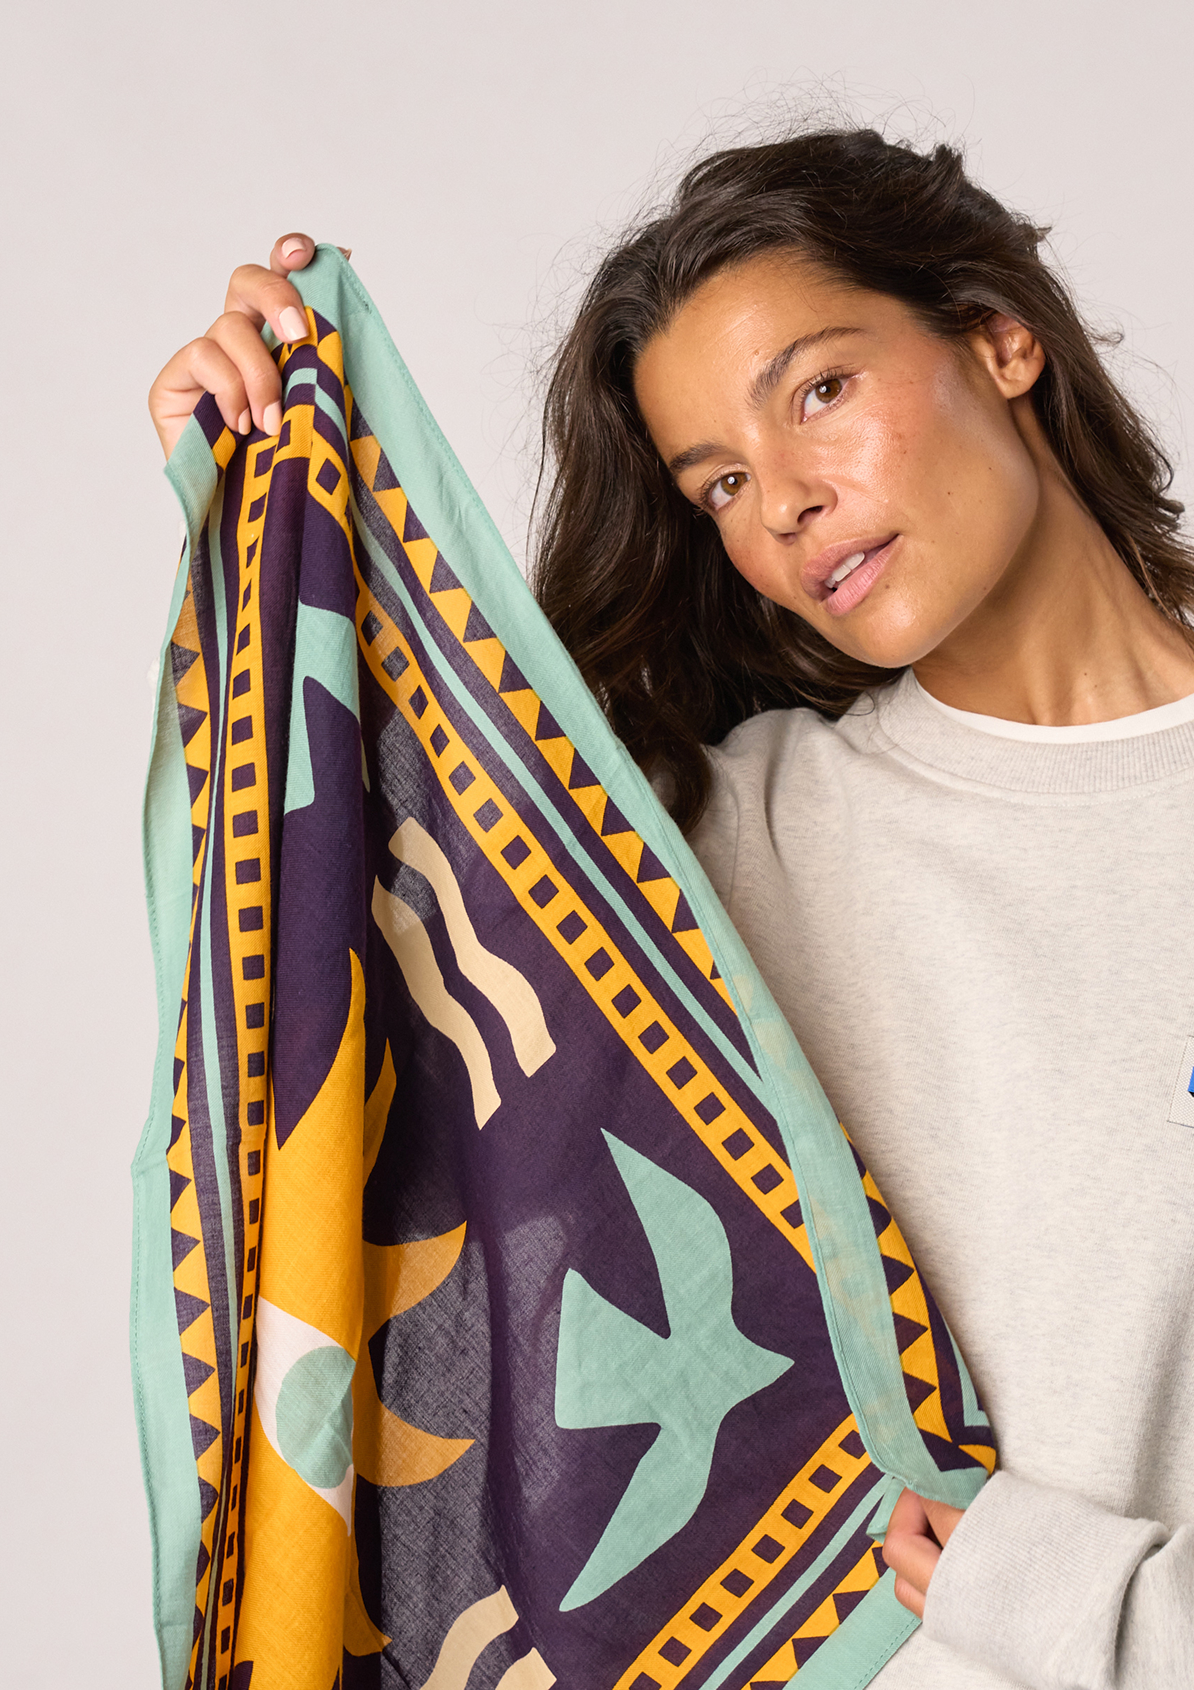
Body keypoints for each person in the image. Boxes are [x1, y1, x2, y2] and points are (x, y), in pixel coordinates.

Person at [149, 128, 1194, 1689]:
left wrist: (1056, 1594)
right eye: (719, 482)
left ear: (998, 338)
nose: (785, 503)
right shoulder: (707, 857)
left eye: (819, 391)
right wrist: (258, 496)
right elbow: (368, 1075)